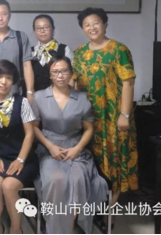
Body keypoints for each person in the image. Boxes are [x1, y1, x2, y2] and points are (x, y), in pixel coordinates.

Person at [73, 7, 137, 232]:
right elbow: (74, 84)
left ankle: (109, 215)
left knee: (113, 166)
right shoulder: (79, 53)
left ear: (105, 24)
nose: (92, 27)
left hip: (113, 118)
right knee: (92, 166)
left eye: (96, 23)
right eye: (87, 25)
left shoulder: (119, 50)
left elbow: (128, 83)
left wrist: (124, 115)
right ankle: (90, 212)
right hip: (89, 120)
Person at [32, 56, 108, 234]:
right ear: (50, 75)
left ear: (71, 73)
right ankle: (56, 228)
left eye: (64, 71)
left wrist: (77, 149)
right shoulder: (39, 97)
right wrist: (50, 147)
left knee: (78, 179)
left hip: (75, 147)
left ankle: (71, 225)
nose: (60, 75)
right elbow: (34, 127)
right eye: (55, 72)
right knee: (56, 180)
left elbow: (88, 129)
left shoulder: (81, 98)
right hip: (49, 148)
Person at [0, 60, 38, 235]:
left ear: (13, 81)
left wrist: (20, 160)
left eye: (8, 78)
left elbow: (30, 134)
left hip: (23, 157)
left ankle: (16, 229)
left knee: (9, 186)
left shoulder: (21, 102)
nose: (3, 82)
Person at [31, 14, 73, 92]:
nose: (42, 31)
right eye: (38, 28)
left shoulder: (64, 49)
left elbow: (72, 76)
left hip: (60, 94)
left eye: (46, 27)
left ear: (53, 30)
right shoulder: (30, 51)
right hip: (35, 95)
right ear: (34, 31)